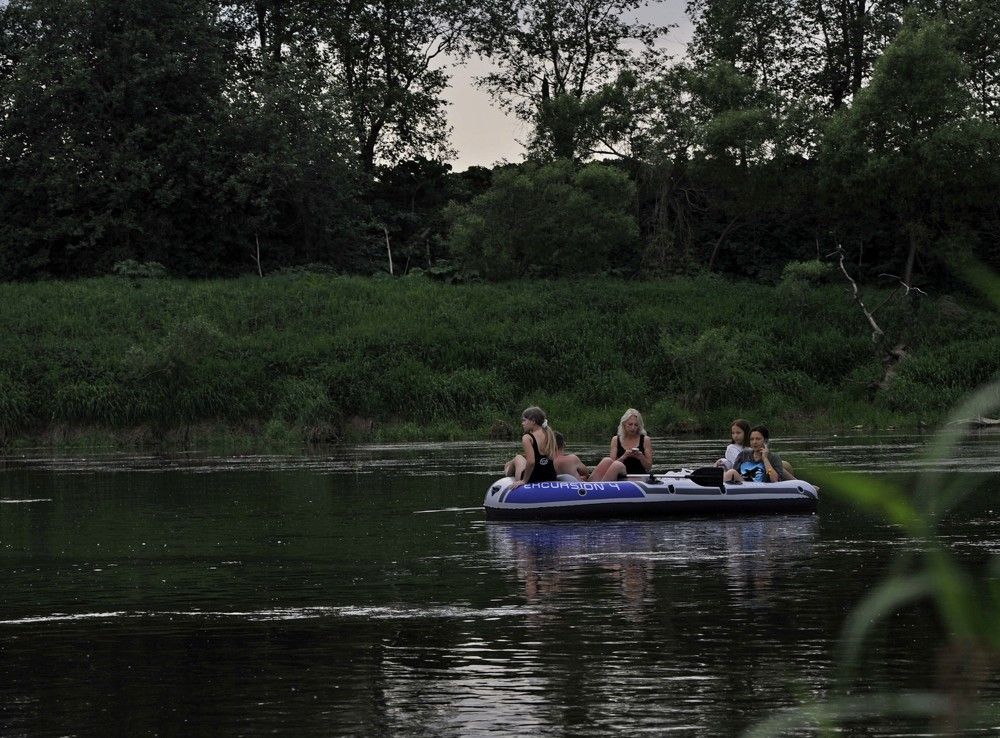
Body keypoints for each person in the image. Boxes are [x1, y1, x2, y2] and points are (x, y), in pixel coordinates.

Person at [589, 408, 654, 481]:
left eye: (636, 425)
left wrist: (641, 457)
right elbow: (610, 465)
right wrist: (624, 456)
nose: (633, 428)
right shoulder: (615, 439)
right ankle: (589, 485)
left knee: (617, 465)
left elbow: (649, 467)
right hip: (620, 475)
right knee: (607, 460)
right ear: (624, 424)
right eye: (630, 424)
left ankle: (602, 487)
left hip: (638, 476)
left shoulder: (645, 440)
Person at [504, 406, 559, 489]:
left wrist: (524, 481)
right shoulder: (549, 434)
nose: (522, 423)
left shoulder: (527, 437)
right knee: (519, 458)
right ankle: (509, 466)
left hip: (534, 478)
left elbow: (531, 462)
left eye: (524, 420)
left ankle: (507, 471)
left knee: (517, 458)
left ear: (533, 421)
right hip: (550, 476)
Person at [723, 425, 787, 483]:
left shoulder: (774, 457)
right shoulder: (743, 455)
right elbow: (735, 474)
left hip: (763, 489)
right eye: (752, 439)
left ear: (765, 441)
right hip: (743, 487)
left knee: (731, 472)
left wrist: (765, 459)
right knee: (731, 472)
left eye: (758, 439)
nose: (754, 442)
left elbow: (774, 480)